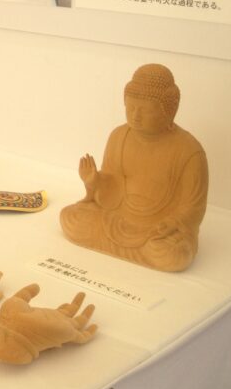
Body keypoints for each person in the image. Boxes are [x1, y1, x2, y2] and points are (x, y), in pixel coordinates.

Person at [60, 64, 208, 272]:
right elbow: (111, 191)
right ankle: (135, 251)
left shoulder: (189, 150)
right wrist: (94, 182)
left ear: (169, 110)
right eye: (130, 108)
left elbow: (193, 208)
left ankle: (148, 250)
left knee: (173, 254)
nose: (135, 116)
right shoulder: (119, 137)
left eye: (145, 110)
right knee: (71, 217)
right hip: (117, 220)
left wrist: (173, 223)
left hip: (156, 230)